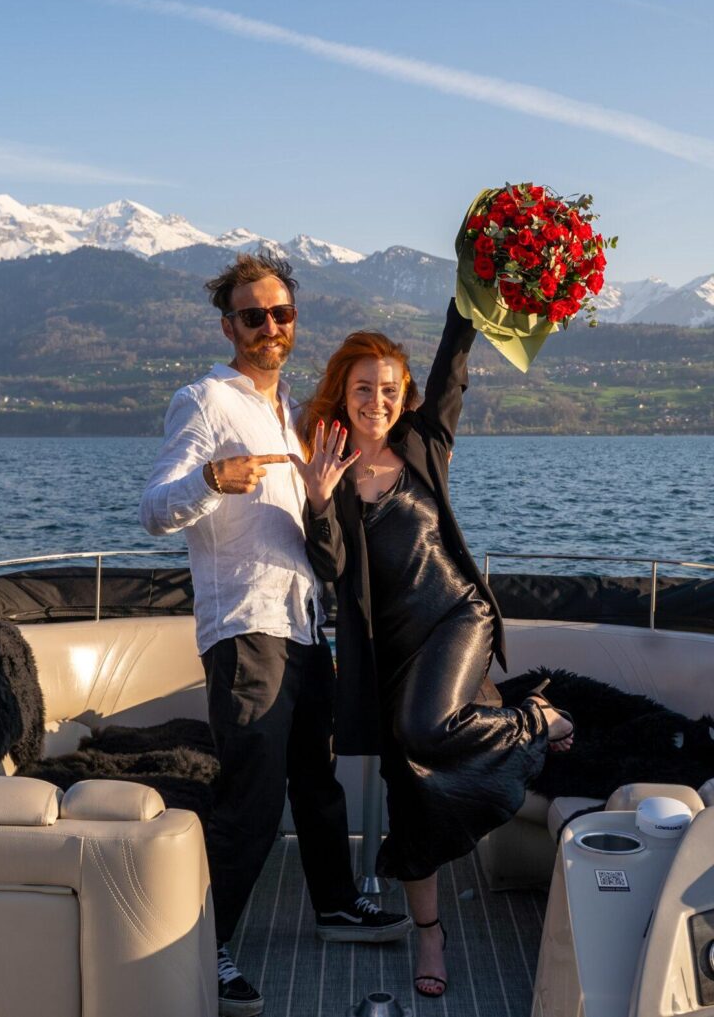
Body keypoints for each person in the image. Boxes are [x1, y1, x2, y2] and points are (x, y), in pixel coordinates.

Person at [139, 252, 411, 1017]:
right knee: (252, 802)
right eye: (253, 315)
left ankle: (333, 905)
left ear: (293, 323)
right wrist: (207, 482)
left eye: (281, 314)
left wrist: (325, 496)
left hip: (300, 627)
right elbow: (154, 507)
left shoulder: (290, 413)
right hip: (244, 630)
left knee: (316, 785)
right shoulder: (202, 401)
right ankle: (206, 947)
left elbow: (310, 534)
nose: (269, 326)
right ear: (228, 324)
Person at [290, 296, 574, 999]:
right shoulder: (327, 464)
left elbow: (454, 359)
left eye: (390, 389)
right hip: (390, 655)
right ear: (342, 393)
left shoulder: (423, 441)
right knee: (410, 785)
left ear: (403, 394)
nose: (378, 401)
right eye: (364, 389)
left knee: (423, 726)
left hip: (457, 615)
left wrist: (468, 286)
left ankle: (537, 717)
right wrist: (320, 500)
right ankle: (430, 935)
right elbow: (328, 569)